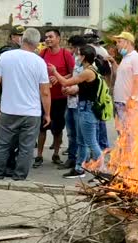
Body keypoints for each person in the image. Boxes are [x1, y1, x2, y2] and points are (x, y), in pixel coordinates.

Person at [0, 28, 51, 180]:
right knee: (26, 147)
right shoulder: (39, 62)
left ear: (23, 40)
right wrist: (47, 113)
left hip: (9, 110)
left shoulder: (5, 57)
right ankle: (19, 177)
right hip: (31, 114)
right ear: (37, 44)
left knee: (3, 144)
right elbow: (45, 92)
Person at [49, 45, 102, 178]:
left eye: (78, 55)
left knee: (91, 142)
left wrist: (55, 72)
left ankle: (103, 171)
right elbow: (79, 88)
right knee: (81, 141)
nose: (76, 57)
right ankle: (79, 169)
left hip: (87, 110)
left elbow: (66, 82)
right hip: (83, 107)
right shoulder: (88, 70)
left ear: (83, 57)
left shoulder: (88, 72)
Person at [34, 29, 75, 168]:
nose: (48, 39)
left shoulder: (66, 54)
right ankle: (39, 155)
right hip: (44, 97)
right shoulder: (43, 53)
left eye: (51, 37)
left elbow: (73, 73)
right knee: (42, 127)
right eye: (46, 37)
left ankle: (56, 154)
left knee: (57, 128)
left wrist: (58, 78)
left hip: (60, 98)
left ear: (58, 38)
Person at [0, 24, 26, 174]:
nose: (20, 38)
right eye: (18, 36)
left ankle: (10, 161)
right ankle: (7, 164)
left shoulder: (24, 52)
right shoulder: (7, 52)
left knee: (17, 133)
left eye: (22, 36)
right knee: (10, 133)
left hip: (18, 97)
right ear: (12, 37)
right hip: (9, 97)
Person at [59, 35, 87, 170]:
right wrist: (66, 86)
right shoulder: (75, 60)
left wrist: (73, 90)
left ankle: (82, 161)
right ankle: (71, 158)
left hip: (80, 104)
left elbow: (87, 83)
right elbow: (73, 76)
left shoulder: (88, 62)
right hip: (70, 102)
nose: (70, 50)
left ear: (77, 47)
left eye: (71, 47)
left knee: (80, 134)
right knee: (71, 133)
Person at [110, 31, 138, 131]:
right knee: (122, 134)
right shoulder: (125, 58)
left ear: (128, 42)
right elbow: (121, 75)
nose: (117, 45)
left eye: (119, 41)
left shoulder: (137, 58)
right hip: (119, 102)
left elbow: (137, 81)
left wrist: (132, 99)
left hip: (128, 104)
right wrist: (113, 62)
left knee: (129, 134)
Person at [84, 33, 110, 150]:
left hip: (98, 95)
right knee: (99, 122)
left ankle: (103, 147)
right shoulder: (98, 54)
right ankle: (101, 146)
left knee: (99, 122)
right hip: (97, 94)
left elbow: (106, 73)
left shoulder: (100, 54)